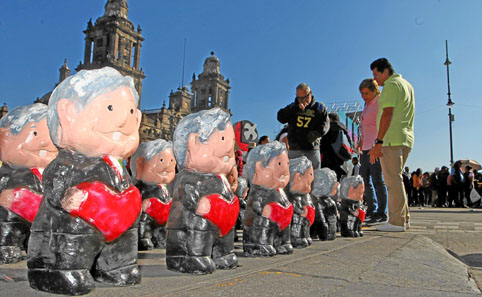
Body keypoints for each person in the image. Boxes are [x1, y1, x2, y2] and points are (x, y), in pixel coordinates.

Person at [369, 58, 415, 232]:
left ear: (385, 71)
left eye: (376, 74)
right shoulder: (407, 85)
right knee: (397, 179)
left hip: (391, 139)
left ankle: (396, 222)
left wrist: (379, 141)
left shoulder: (390, 86)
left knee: (392, 181)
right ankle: (404, 218)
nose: (375, 80)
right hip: (406, 138)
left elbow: (387, 114)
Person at [356, 78, 388, 224]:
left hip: (375, 147)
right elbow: (365, 126)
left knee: (377, 179)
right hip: (365, 147)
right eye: (362, 93)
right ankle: (372, 209)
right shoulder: (367, 104)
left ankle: (382, 212)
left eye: (366, 93)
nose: (364, 96)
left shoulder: (379, 102)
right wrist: (361, 141)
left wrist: (377, 144)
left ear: (375, 91)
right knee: (365, 180)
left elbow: (381, 124)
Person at [277, 83, 330, 169]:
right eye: (300, 98)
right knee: (293, 175)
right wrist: (296, 109)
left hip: (312, 148)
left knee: (314, 175)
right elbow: (280, 117)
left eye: (306, 97)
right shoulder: (292, 106)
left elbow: (326, 124)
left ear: (311, 93)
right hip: (295, 148)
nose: (303, 100)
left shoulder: (319, 108)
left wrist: (315, 133)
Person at [319, 113, 353, 179]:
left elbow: (324, 144)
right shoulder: (343, 130)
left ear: (330, 119)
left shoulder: (331, 128)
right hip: (342, 161)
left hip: (330, 161)